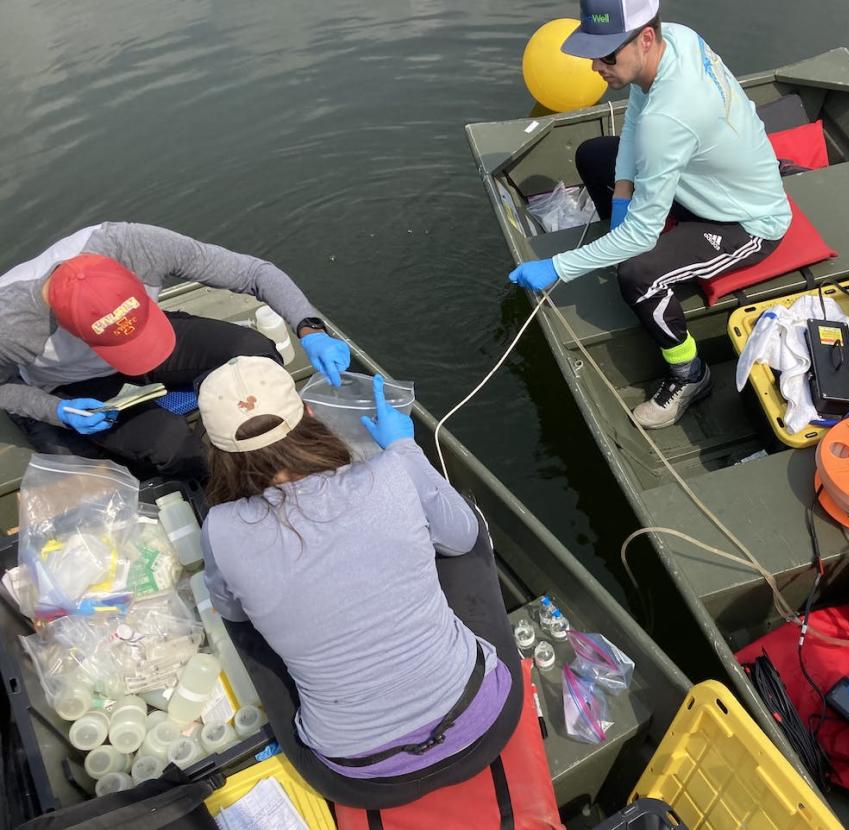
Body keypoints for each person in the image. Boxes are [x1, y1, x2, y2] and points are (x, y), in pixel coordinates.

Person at [198, 357, 521, 806]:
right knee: (464, 534)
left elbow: (231, 611)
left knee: (242, 626)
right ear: (309, 416)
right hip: (485, 722)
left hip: (357, 781)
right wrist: (405, 448)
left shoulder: (218, 527)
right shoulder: (393, 470)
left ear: (217, 455)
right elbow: (462, 535)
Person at [508, 0, 791, 429]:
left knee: (637, 273)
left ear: (643, 38)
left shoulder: (672, 116)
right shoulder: (674, 37)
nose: (595, 68)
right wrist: (622, 194)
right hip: (698, 183)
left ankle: (689, 374)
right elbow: (639, 114)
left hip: (745, 222)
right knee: (594, 156)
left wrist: (557, 267)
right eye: (591, 53)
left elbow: (655, 129)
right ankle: (619, 247)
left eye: (606, 55)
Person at [0, 223, 350, 479]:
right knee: (180, 453)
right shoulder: (9, 324)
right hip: (79, 382)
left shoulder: (136, 246)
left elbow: (253, 272)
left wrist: (310, 328)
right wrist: (57, 410)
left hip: (155, 333)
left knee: (256, 354)